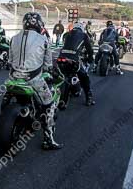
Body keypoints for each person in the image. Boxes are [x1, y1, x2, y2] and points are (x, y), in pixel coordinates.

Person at [9, 12, 60, 150]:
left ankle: (7, 114)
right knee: (49, 105)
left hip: (13, 79)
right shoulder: (44, 40)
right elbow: (48, 65)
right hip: (33, 80)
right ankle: (48, 140)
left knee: (7, 98)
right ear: (38, 24)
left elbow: (9, 60)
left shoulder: (13, 38)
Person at [59, 22, 95, 106]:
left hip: (61, 57)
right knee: (84, 77)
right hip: (73, 60)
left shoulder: (66, 34)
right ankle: (89, 97)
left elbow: (65, 45)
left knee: (60, 74)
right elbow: (89, 49)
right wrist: (90, 58)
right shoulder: (84, 35)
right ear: (81, 28)